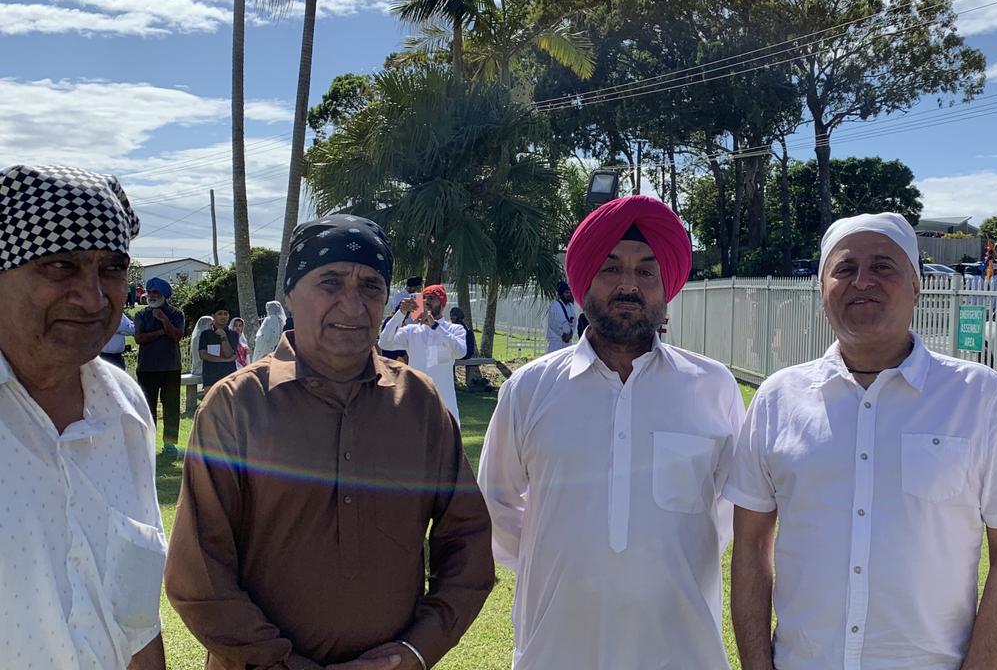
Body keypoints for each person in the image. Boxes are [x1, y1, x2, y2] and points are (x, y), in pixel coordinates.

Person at [165, 214, 494, 670]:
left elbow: (468, 541)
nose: (353, 306)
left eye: (371, 287)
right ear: (290, 294)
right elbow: (198, 575)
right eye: (331, 282)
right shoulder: (237, 405)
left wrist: (416, 650)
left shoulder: (418, 404)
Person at [729, 212, 997, 670]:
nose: (863, 281)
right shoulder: (778, 399)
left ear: (917, 286)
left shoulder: (979, 397)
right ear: (822, 289)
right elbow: (750, 548)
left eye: (883, 266)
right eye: (845, 268)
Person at [478, 195, 742, 669]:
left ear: (667, 285)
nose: (628, 285)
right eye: (610, 267)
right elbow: (495, 500)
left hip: (681, 649)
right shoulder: (531, 388)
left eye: (646, 271)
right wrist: (560, 559)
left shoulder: (712, 386)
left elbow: (728, 509)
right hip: (555, 646)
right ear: (584, 281)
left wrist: (667, 557)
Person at [0, 164, 166, 668]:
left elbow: (137, 618)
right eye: (59, 266)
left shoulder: (127, 410)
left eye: (111, 269)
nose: (93, 297)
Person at [378, 284, 468, 422]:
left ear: (442, 303)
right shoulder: (411, 331)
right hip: (415, 405)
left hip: (444, 406)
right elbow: (384, 343)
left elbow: (461, 352)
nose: (426, 301)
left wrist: (435, 326)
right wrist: (400, 313)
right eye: (424, 298)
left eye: (431, 298)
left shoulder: (454, 329)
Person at [133, 276, 185, 455]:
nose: (152, 295)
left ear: (164, 295)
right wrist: (162, 332)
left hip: (171, 367)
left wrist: (164, 320)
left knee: (171, 407)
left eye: (156, 292)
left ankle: (169, 445)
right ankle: (147, 444)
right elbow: (139, 339)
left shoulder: (176, 314)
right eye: (149, 292)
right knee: (147, 407)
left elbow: (177, 336)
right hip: (147, 368)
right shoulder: (141, 314)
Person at [197, 309, 239, 389]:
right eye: (220, 314)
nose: (223, 316)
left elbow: (229, 354)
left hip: (229, 374)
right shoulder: (205, 334)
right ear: (213, 316)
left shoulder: (233, 334)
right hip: (211, 375)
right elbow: (203, 355)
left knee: (229, 401)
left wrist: (223, 336)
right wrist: (225, 360)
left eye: (225, 314)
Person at [545, 280, 577, 353]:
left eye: (569, 292)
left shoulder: (570, 306)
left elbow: (574, 321)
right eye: (566, 293)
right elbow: (553, 324)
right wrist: (562, 334)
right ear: (561, 294)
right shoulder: (555, 306)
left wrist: (571, 333)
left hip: (568, 340)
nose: (568, 295)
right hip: (556, 341)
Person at [188, 315, 213, 380]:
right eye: (210, 325)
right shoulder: (200, 337)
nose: (212, 327)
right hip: (202, 367)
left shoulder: (198, 336)